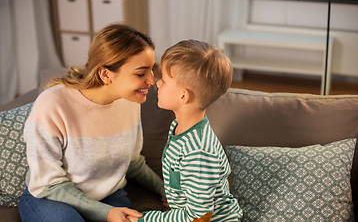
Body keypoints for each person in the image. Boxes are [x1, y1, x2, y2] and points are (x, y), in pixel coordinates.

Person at [18, 24, 166, 222]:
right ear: (105, 74)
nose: (152, 80)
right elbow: (48, 184)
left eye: (151, 70)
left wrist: (164, 189)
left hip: (109, 196)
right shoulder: (52, 105)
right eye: (141, 73)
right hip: (52, 197)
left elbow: (132, 161)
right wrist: (105, 213)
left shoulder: (129, 101)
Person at [128, 40, 243, 222]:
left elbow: (200, 216)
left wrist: (146, 219)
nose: (157, 84)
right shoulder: (181, 129)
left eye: (164, 81)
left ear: (183, 95)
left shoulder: (198, 152)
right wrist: (179, 199)